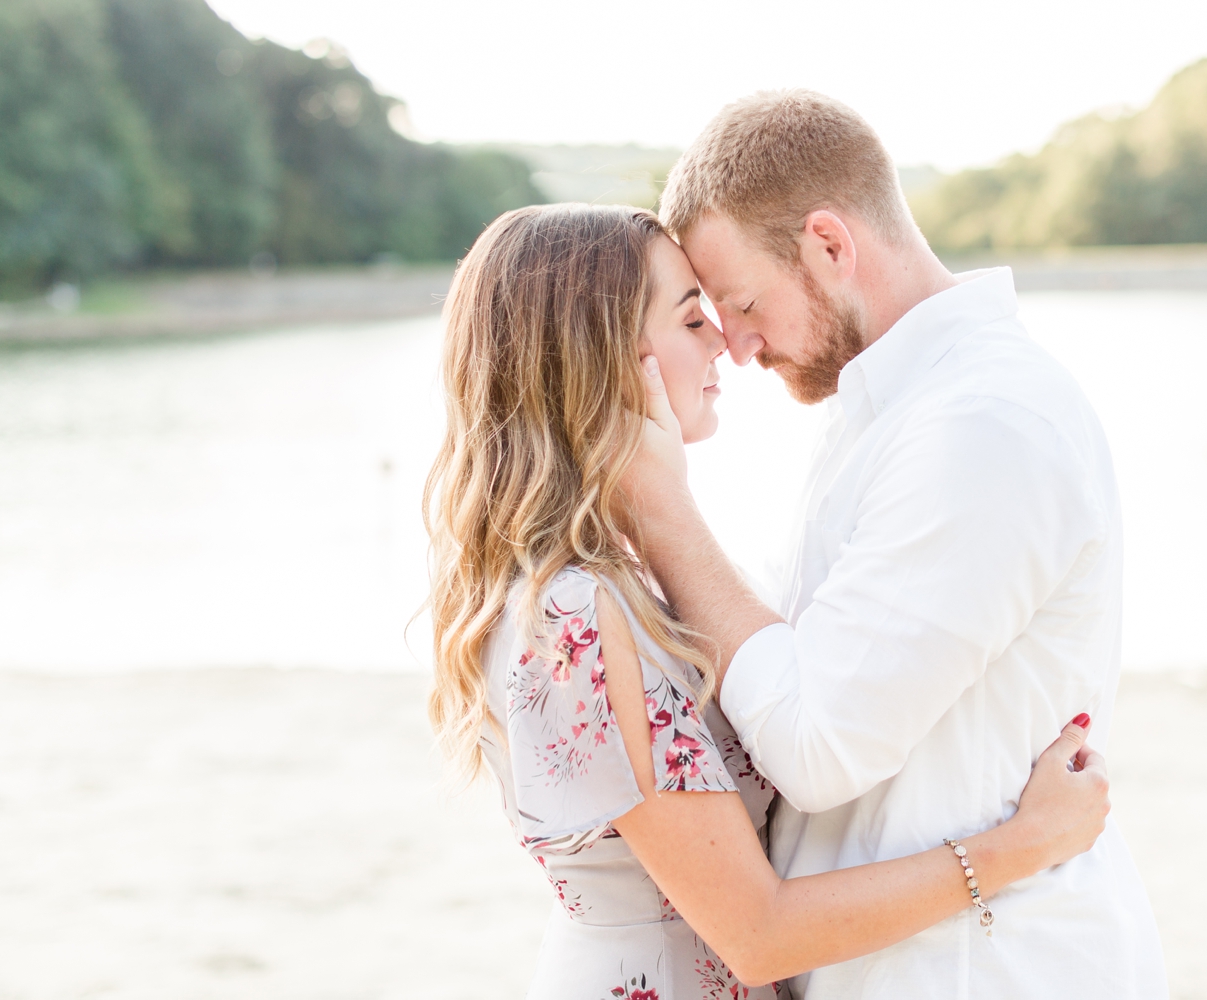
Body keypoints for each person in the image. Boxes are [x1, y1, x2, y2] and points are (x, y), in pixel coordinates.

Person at [424, 202, 1111, 999]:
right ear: (606, 356)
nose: (721, 339)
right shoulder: (576, 613)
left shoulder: (614, 582)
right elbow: (758, 933)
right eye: (691, 319)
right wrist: (1026, 844)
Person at [617, 90, 1169, 999]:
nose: (742, 349)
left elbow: (817, 744)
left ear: (831, 246)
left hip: (983, 971)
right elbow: (791, 661)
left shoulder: (985, 424)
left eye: (745, 303)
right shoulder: (891, 415)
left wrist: (663, 514)